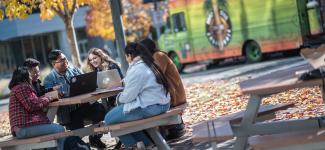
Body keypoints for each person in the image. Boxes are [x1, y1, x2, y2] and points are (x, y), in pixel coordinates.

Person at [104, 42, 171, 148]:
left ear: (129, 55)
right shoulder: (148, 63)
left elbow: (128, 97)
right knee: (120, 118)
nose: (126, 59)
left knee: (109, 119)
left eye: (126, 56)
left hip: (151, 107)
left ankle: (134, 146)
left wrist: (118, 99)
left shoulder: (137, 69)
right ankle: (145, 145)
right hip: (162, 103)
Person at [43, 50, 107, 148]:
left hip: (84, 105)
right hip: (68, 112)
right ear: (53, 64)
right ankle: (81, 146)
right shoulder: (49, 79)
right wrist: (57, 94)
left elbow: (85, 81)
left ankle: (94, 139)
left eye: (65, 59)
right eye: (62, 60)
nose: (65, 61)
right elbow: (50, 97)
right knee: (76, 130)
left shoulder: (74, 69)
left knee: (101, 110)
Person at [8, 66, 65, 150]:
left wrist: (44, 98)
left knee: (50, 134)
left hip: (22, 128)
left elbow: (33, 102)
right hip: (24, 128)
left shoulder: (16, 88)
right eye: (29, 75)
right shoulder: (22, 87)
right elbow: (32, 106)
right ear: (25, 77)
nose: (31, 78)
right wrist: (49, 98)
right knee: (60, 129)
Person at [140, 38, 187, 140]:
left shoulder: (158, 56)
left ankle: (166, 130)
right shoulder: (154, 57)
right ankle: (162, 131)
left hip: (175, 96)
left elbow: (155, 76)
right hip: (171, 94)